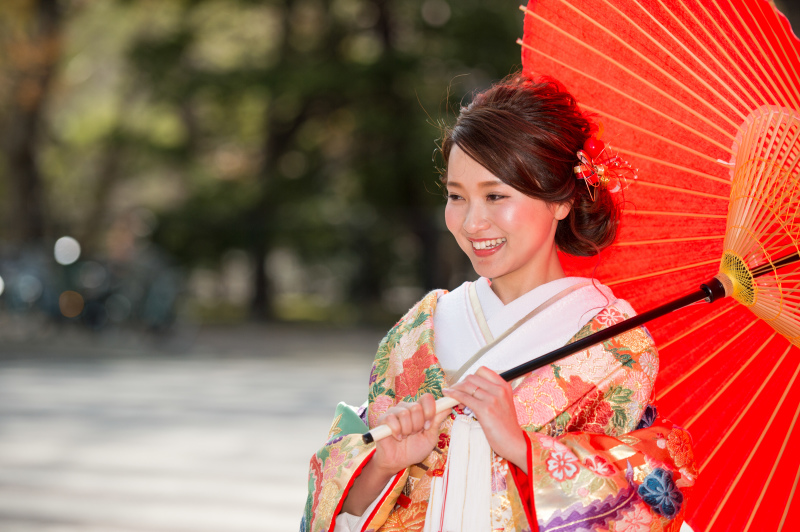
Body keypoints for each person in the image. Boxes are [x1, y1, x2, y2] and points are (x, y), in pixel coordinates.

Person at [301, 74, 695, 532]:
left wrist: (522, 447)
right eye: (455, 196)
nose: (471, 222)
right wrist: (383, 468)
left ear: (562, 200)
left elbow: (641, 500)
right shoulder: (418, 330)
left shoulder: (614, 347)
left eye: (495, 196)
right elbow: (338, 489)